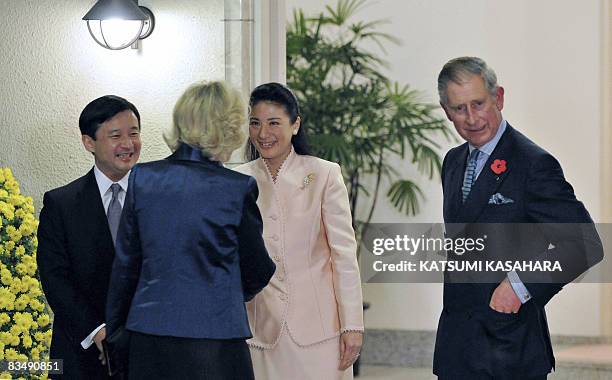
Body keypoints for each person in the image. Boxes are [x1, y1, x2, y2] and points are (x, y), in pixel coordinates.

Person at [434, 56, 603, 379]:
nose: (471, 118)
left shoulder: (533, 164)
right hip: (457, 349)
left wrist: (519, 284)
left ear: (498, 98)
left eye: (479, 103)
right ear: (445, 110)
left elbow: (585, 244)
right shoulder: (453, 162)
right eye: (459, 109)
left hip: (509, 348)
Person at [105, 81, 275, 379]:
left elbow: (125, 269)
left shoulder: (142, 179)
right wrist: (223, 291)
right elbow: (258, 268)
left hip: (149, 335)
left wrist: (117, 336)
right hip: (216, 339)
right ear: (230, 126)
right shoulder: (236, 188)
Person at [235, 82, 364, 380]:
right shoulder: (238, 179)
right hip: (259, 330)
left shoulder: (324, 174)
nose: (263, 134)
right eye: (255, 123)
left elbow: (344, 256)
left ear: (295, 125)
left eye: (274, 123)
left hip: (318, 332)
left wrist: (352, 325)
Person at [37, 95, 142, 379]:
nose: (128, 144)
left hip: (148, 352)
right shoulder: (62, 204)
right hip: (81, 354)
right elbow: (54, 277)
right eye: (116, 135)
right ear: (89, 142)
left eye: (134, 133)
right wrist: (97, 330)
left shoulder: (157, 197)